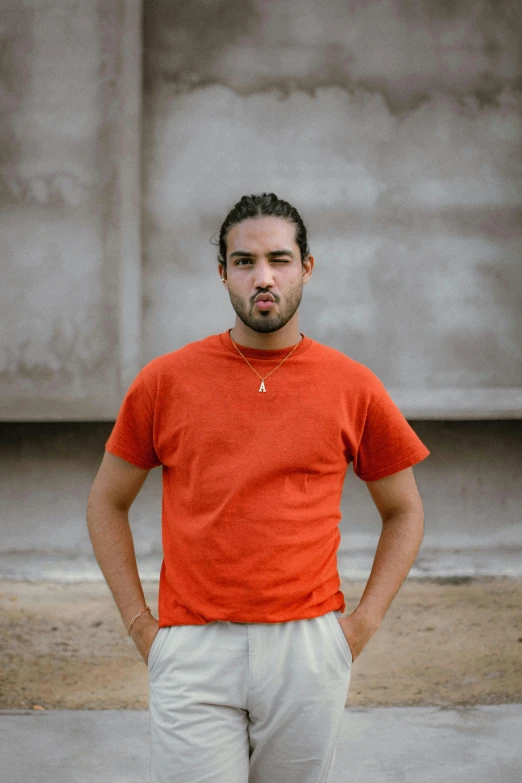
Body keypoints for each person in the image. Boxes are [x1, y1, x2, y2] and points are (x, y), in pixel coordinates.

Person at [87, 193, 430, 783]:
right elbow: (105, 503)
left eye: (279, 258)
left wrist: (359, 628)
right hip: (192, 647)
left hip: (308, 649)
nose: (263, 277)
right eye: (244, 262)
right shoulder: (165, 380)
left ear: (307, 267)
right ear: (222, 273)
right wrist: (141, 626)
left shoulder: (352, 385)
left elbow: (404, 511)